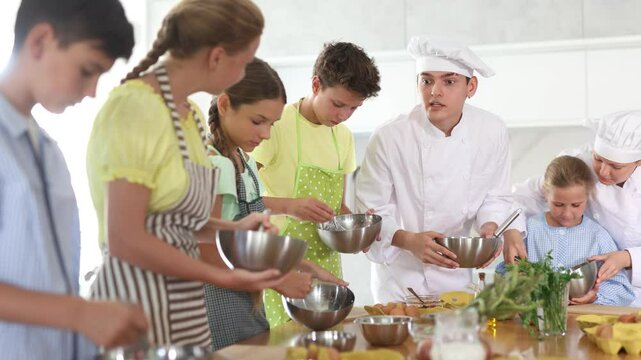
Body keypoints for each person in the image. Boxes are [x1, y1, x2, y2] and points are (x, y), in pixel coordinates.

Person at [86, 0, 285, 347]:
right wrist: (224, 276)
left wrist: (234, 227)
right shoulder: (135, 109)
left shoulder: (189, 113)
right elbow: (126, 238)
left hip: (184, 305)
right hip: (136, 305)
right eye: (244, 62)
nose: (242, 75)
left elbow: (177, 221)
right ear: (217, 57)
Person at [0, 0, 149, 358]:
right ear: (39, 41)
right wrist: (80, 313)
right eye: (87, 70)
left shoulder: (45, 148)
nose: (92, 91)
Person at [355, 36, 520, 303]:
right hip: (399, 282)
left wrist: (490, 228)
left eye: (449, 81)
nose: (435, 91)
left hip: (457, 276)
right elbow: (369, 212)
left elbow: (496, 196)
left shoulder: (491, 130)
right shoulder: (389, 137)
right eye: (427, 80)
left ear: (471, 86)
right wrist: (408, 240)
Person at [202, 57, 349, 349]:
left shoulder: (244, 162)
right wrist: (277, 281)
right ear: (224, 105)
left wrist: (304, 266)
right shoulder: (215, 165)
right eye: (258, 122)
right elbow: (209, 253)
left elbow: (247, 247)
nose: (266, 134)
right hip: (218, 312)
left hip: (246, 310)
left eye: (272, 124)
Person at [252, 42, 381, 327]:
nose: (343, 115)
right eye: (338, 104)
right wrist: (291, 207)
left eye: (353, 108)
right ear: (315, 85)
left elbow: (340, 207)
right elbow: (244, 199)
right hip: (281, 259)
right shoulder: (278, 123)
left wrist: (357, 226)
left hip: (326, 261)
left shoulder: (343, 136)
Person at [506, 110, 641, 306]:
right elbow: (518, 196)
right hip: (591, 286)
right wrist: (513, 231)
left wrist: (627, 257)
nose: (603, 171)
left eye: (615, 166)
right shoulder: (578, 163)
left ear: (638, 161)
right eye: (599, 158)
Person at [496, 156, 634, 305]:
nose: (567, 214)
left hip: (582, 320)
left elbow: (620, 288)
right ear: (545, 194)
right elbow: (504, 273)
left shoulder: (598, 236)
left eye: (576, 205)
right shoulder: (529, 229)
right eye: (558, 204)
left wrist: (595, 297)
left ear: (587, 197)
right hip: (534, 318)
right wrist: (518, 281)